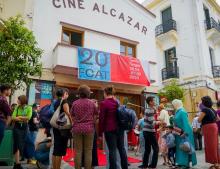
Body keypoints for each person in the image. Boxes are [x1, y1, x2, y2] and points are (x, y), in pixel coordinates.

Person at [99, 86, 128, 169]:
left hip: (110, 129)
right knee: (122, 149)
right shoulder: (117, 102)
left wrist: (100, 133)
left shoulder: (104, 103)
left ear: (105, 93)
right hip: (120, 129)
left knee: (112, 150)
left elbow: (102, 119)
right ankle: (125, 167)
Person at [71, 85, 98, 169]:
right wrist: (91, 122)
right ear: (88, 93)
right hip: (89, 129)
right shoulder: (92, 103)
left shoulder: (75, 103)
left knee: (78, 151)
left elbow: (72, 116)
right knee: (88, 151)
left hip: (77, 128)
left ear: (79, 93)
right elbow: (96, 115)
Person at [172, 99, 197, 168]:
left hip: (184, 133)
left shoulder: (182, 112)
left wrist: (185, 133)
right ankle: (182, 162)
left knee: (185, 147)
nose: (173, 106)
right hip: (179, 133)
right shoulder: (178, 111)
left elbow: (186, 123)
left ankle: (185, 163)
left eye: (173, 104)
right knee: (182, 148)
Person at [52, 88, 72, 169]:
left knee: (56, 150)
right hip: (62, 127)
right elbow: (67, 113)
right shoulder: (64, 101)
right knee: (60, 151)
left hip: (56, 126)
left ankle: (54, 167)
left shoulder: (55, 101)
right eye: (67, 94)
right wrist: (72, 122)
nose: (67, 95)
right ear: (65, 94)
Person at [198, 96, 220, 169]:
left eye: (202, 101)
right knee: (214, 145)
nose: (201, 102)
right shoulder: (212, 109)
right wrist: (211, 121)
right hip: (214, 126)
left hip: (208, 128)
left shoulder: (204, 109)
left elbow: (199, 120)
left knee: (211, 145)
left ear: (204, 102)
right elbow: (218, 119)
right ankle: (216, 162)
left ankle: (216, 164)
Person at [12, 95, 32, 169]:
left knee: (23, 144)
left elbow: (28, 117)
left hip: (24, 128)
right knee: (17, 144)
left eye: (19, 100)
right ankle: (17, 164)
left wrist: (19, 117)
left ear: (23, 100)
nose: (17, 101)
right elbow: (13, 117)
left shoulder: (29, 107)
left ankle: (21, 161)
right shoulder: (17, 107)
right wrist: (22, 118)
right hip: (17, 128)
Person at [141, 96, 160, 169]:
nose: (155, 102)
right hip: (150, 132)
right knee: (156, 149)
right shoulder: (150, 110)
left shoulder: (149, 109)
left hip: (146, 131)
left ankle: (145, 165)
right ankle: (152, 165)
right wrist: (159, 122)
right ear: (150, 102)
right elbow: (152, 122)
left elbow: (151, 117)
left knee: (148, 149)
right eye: (153, 101)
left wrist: (155, 111)